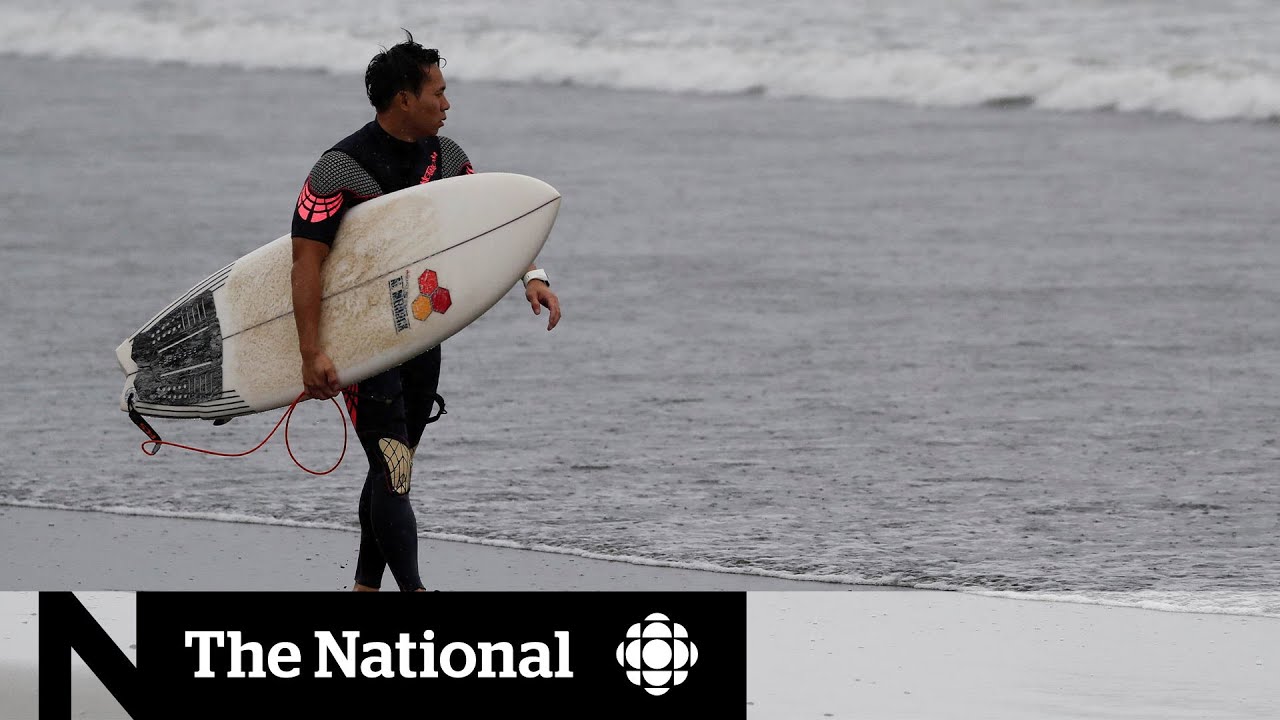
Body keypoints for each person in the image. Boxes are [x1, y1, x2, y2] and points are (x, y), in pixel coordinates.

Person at [289, 31, 561, 592]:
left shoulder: (448, 158)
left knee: (395, 467)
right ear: (404, 99)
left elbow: (492, 224)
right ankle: (414, 593)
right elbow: (305, 263)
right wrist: (310, 349)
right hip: (362, 342)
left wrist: (530, 275)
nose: (447, 103)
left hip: (419, 335)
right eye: (437, 92)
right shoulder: (340, 169)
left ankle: (365, 590)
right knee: (393, 469)